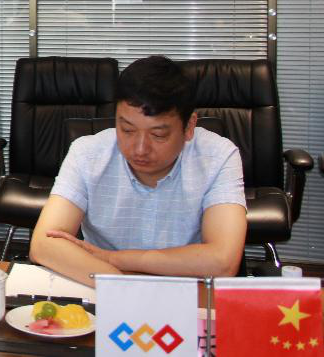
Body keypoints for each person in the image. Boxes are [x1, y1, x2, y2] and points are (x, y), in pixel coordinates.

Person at [29, 55, 246, 286]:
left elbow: (223, 261)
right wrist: (120, 284)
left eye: (158, 135)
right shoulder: (87, 154)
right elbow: (44, 244)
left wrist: (115, 259)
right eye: (127, 130)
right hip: (102, 286)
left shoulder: (218, 156)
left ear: (189, 126)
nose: (140, 149)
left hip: (186, 291)